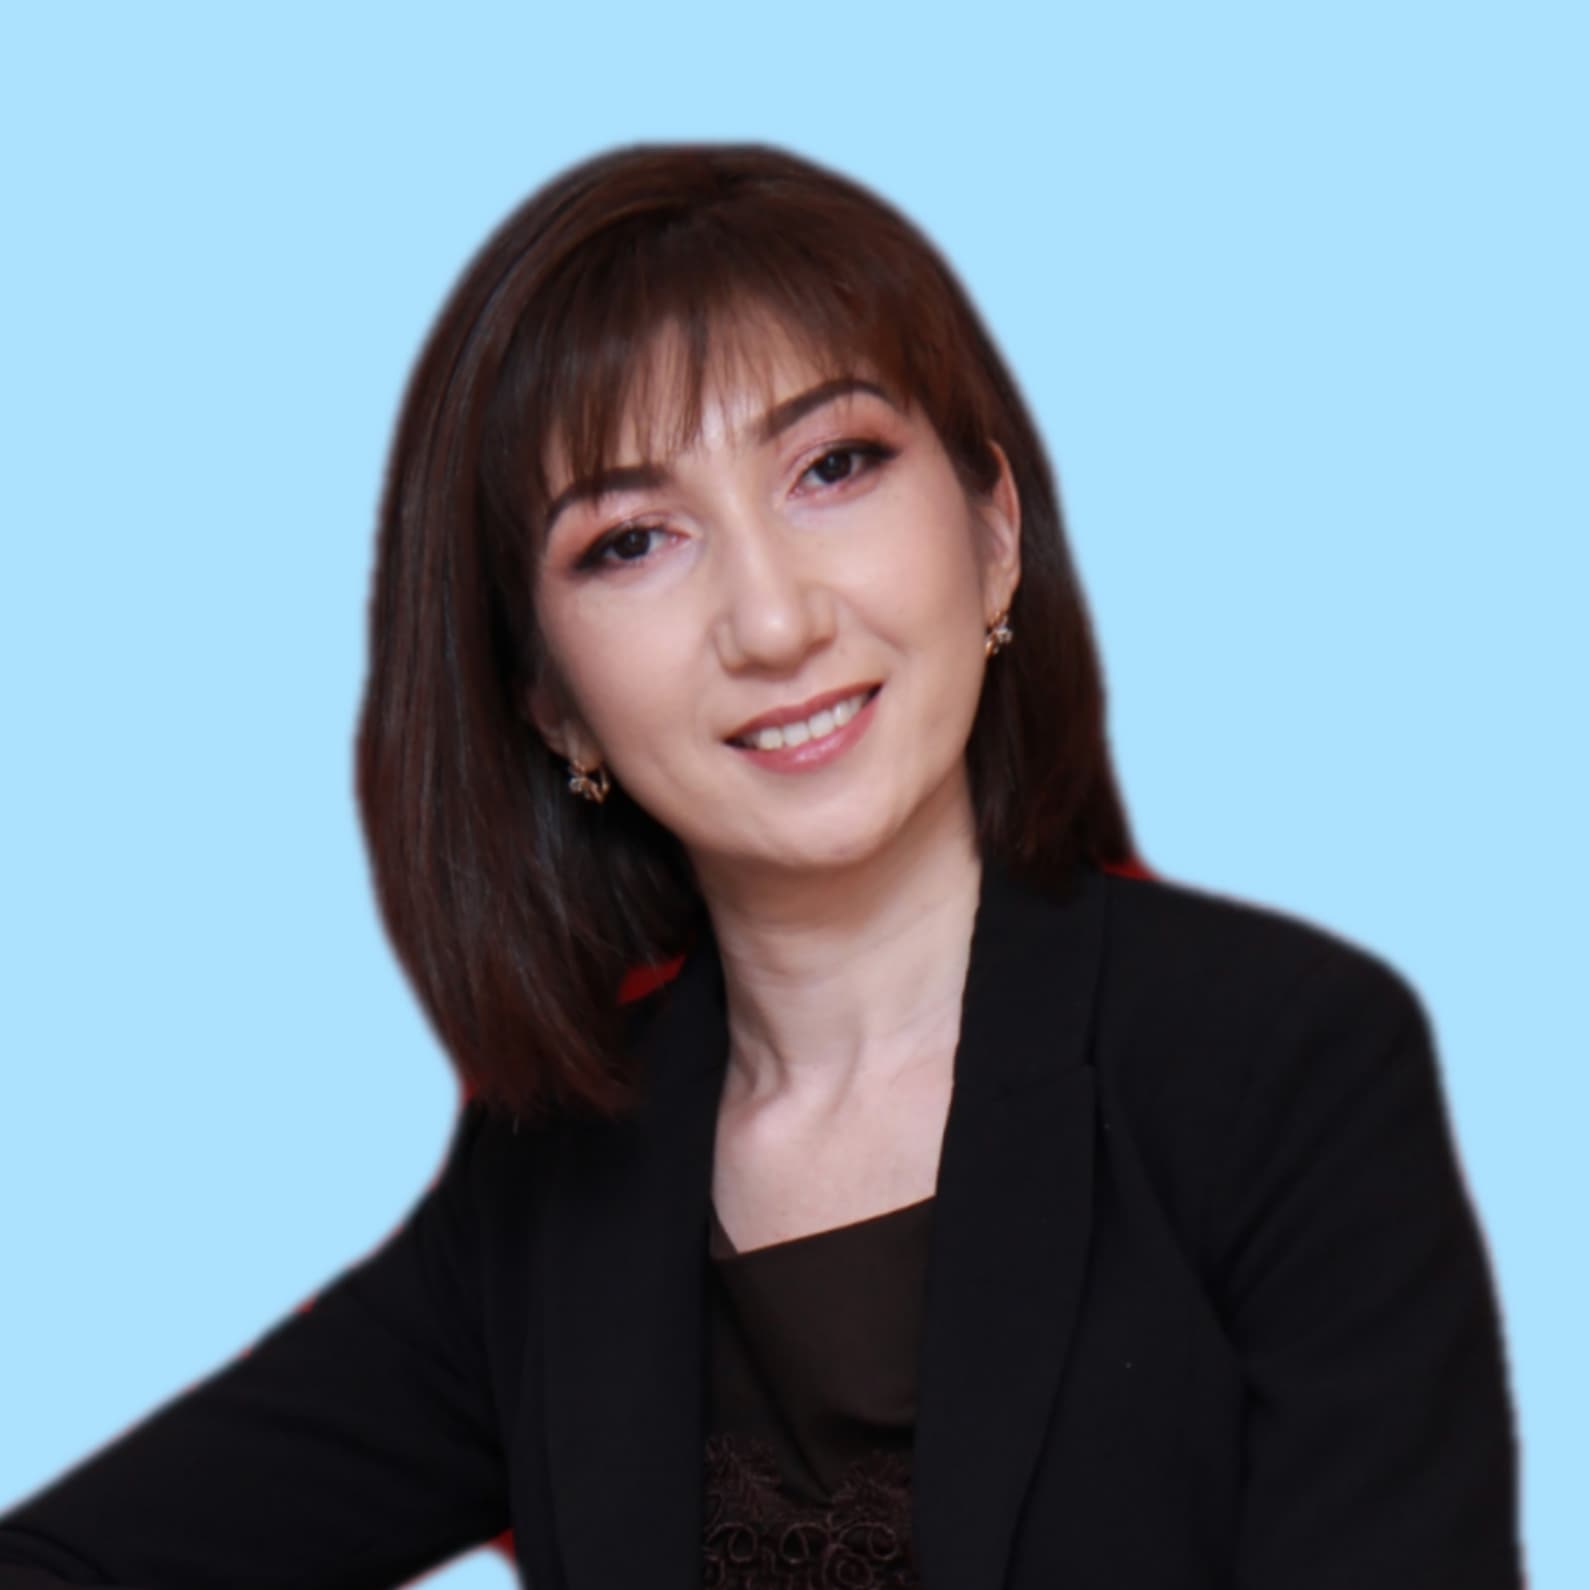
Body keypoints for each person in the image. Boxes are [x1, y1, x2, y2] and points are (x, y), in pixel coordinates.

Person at [0, 142, 1521, 1589]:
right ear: (550, 702)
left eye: (833, 465)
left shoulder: (1280, 1064)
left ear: (994, 531)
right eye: (632, 541)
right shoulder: (546, 1192)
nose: (776, 622)